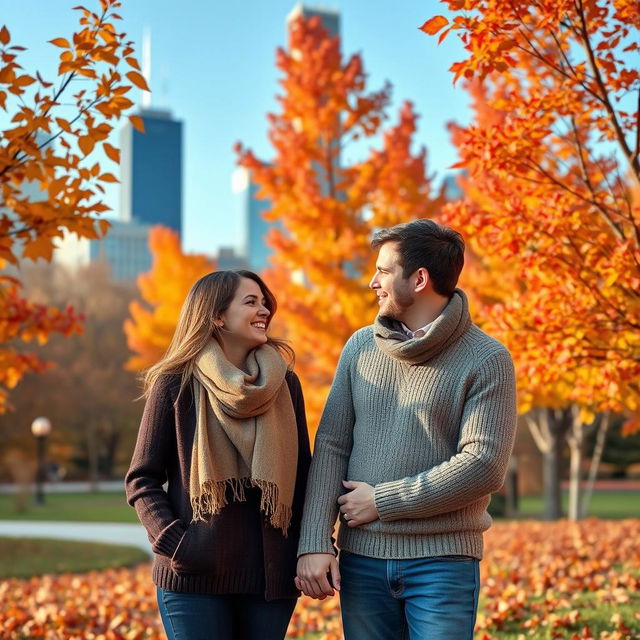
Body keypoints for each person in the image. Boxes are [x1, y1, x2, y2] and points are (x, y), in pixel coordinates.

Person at [295, 219, 517, 640]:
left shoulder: (487, 359)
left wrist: (383, 501)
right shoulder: (359, 347)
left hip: (443, 562)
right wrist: (314, 541)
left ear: (419, 279)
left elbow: (483, 464)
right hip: (362, 560)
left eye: (383, 270)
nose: (372, 282)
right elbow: (331, 445)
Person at [126, 270, 311, 640]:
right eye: (251, 302)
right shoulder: (175, 383)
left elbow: (305, 477)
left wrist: (315, 546)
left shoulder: (285, 383)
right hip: (193, 576)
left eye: (264, 302)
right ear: (217, 316)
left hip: (270, 579)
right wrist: (175, 542)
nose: (265, 310)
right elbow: (141, 479)